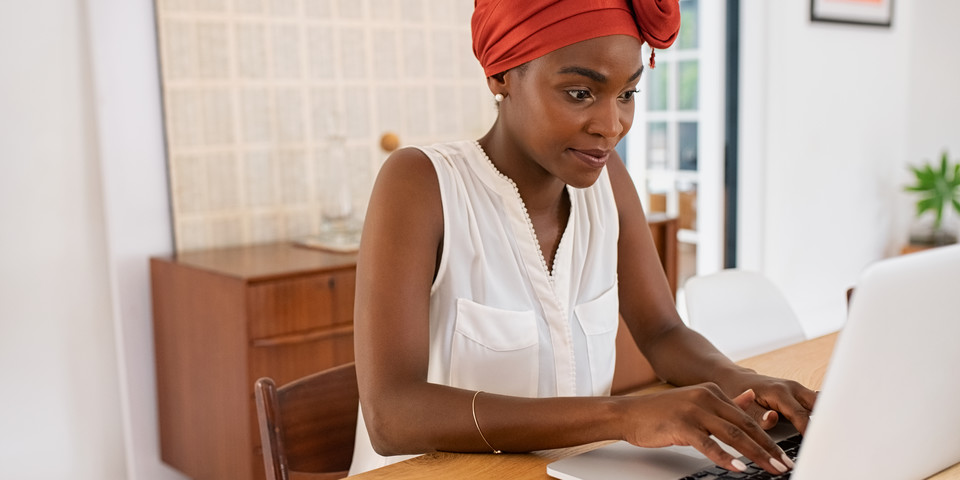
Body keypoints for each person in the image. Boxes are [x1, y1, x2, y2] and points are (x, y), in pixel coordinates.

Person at [349, 0, 817, 476]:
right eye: (579, 93)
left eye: (628, 93)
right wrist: (624, 416)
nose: (611, 126)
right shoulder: (421, 183)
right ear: (501, 75)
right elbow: (392, 415)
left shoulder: (608, 180)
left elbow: (662, 332)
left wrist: (745, 380)